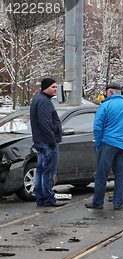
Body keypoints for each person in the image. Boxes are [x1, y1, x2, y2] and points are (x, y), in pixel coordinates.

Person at [85, 82, 123, 210]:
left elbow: (98, 127)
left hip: (108, 143)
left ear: (110, 92)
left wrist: (98, 143)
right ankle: (118, 203)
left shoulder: (106, 105)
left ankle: (98, 202)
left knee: (101, 174)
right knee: (121, 175)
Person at [30, 78, 67, 207]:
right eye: (53, 87)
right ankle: (48, 198)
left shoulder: (39, 100)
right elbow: (45, 123)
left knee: (41, 170)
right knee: (48, 171)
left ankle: (40, 197)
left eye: (56, 87)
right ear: (45, 87)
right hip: (47, 142)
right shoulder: (44, 101)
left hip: (40, 141)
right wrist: (52, 140)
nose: (55, 89)